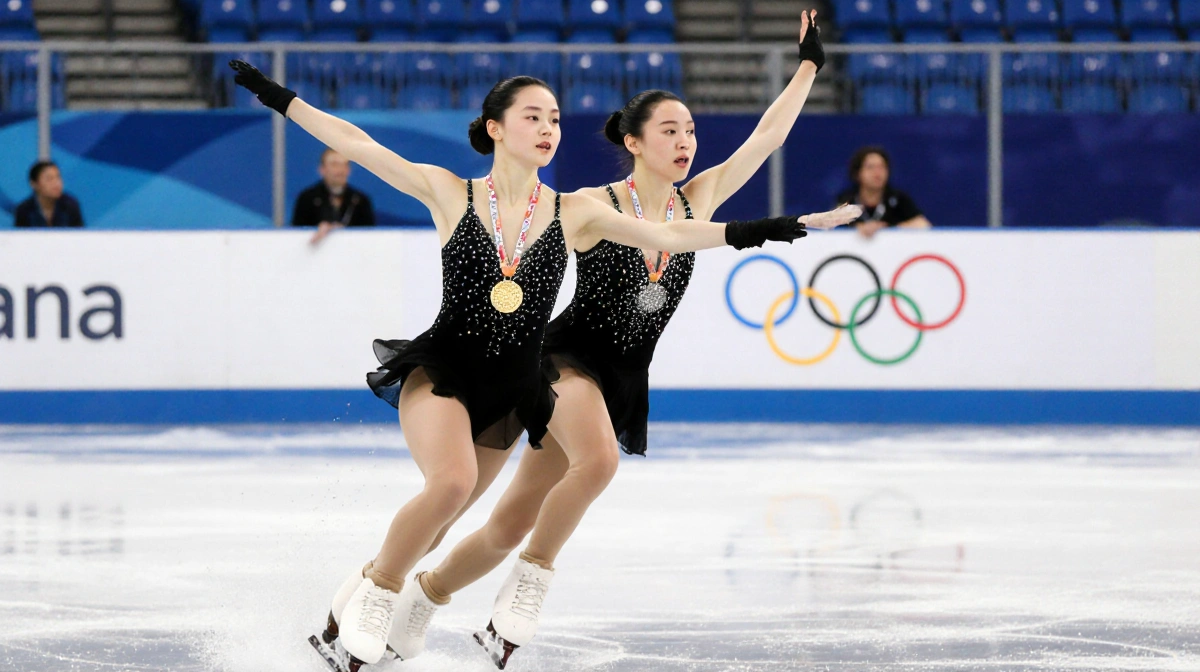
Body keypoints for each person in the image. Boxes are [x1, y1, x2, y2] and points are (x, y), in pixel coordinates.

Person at [229, 61, 818, 670]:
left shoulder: (572, 212)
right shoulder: (450, 191)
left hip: (511, 390)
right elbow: (358, 143)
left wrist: (764, 229)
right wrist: (281, 97)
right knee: (452, 484)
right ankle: (379, 593)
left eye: (555, 119)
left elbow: (669, 237)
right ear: (495, 127)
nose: (547, 128)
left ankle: (353, 606)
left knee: (453, 521)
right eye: (532, 117)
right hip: (445, 371)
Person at [389, 12, 858, 669]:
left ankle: (424, 597)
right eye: (669, 130)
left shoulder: (700, 199)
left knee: (510, 523)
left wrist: (809, 65)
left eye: (690, 130)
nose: (685, 141)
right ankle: (528, 587)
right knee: (600, 464)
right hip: (563, 361)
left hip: (621, 377)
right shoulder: (589, 203)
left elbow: (766, 138)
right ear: (635, 142)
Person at [836, 146, 932, 239]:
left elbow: (923, 224)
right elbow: (834, 227)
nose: (877, 173)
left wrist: (889, 229)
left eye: (882, 167)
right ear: (857, 173)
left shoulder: (897, 199)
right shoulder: (847, 200)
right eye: (870, 167)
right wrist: (857, 229)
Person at [292, 148, 375, 245]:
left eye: (345, 164)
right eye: (335, 164)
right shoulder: (307, 198)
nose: (340, 170)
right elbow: (296, 232)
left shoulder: (360, 200)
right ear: (322, 169)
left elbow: (370, 235)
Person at [13, 161, 84, 228]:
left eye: (58, 177)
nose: (56, 183)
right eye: (49, 179)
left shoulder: (70, 205)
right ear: (34, 184)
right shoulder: (24, 210)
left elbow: (79, 235)